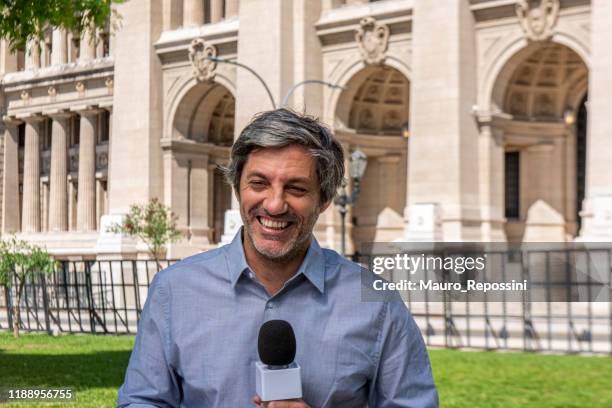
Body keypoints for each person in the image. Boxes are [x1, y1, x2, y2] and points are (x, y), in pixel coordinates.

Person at [117, 109, 439, 408]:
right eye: (259, 184)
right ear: (237, 187)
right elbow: (142, 401)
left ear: (323, 200)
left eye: (296, 189)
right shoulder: (174, 291)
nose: (274, 205)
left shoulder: (376, 303)